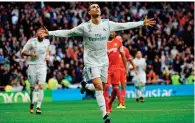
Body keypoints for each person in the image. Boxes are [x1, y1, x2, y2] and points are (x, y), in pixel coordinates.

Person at [39, 3, 156, 123]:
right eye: (93, 7)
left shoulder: (107, 24)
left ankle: (85, 86)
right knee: (99, 87)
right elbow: (68, 32)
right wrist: (50, 33)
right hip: (91, 61)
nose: (97, 8)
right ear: (89, 13)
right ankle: (105, 115)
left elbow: (124, 26)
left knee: (103, 86)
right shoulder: (84, 27)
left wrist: (141, 23)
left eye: (98, 7)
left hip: (104, 61)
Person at [21, 28, 50, 114]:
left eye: (43, 33)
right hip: (32, 66)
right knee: (32, 88)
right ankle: (32, 103)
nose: (41, 34)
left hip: (42, 66)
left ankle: (38, 107)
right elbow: (23, 52)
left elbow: (47, 49)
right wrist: (32, 54)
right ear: (37, 34)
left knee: (41, 86)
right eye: (40, 32)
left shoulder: (47, 41)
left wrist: (47, 55)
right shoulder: (31, 42)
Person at [104, 32, 127, 114]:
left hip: (116, 68)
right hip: (106, 69)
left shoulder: (118, 43)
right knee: (106, 87)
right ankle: (107, 108)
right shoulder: (103, 42)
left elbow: (123, 56)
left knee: (116, 88)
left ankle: (110, 104)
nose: (111, 33)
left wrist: (126, 68)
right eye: (109, 31)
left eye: (113, 31)